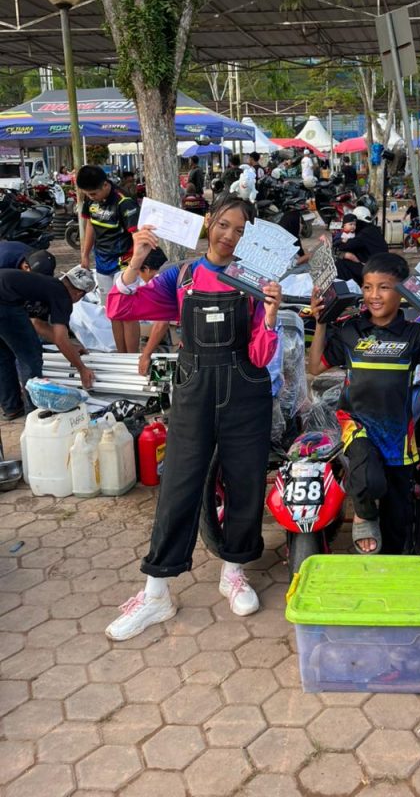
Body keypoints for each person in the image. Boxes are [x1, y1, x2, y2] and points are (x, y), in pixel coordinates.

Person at [104, 195, 283, 641]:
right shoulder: (181, 275)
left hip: (246, 391)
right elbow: (121, 308)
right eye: (223, 225)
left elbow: (261, 355)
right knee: (179, 484)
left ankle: (234, 571)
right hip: (193, 391)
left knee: (245, 482)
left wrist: (271, 315)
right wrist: (136, 259)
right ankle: (156, 592)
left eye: (240, 230)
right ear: (209, 223)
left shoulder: (255, 281)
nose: (228, 236)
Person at [308, 252, 420, 554]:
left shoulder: (415, 335)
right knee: (368, 480)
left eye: (383, 287)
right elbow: (316, 366)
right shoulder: (351, 329)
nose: (374, 295)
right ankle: (364, 513)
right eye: (367, 287)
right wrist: (321, 324)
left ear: (403, 291)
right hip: (356, 423)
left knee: (398, 524)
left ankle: (390, 565)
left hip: (398, 436)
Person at [0, 265, 95, 420]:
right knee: (30, 357)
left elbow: (38, 324)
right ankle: (34, 413)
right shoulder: (62, 296)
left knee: (4, 356)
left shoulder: (48, 286)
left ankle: (12, 407)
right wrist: (82, 369)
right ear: (79, 293)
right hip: (5, 303)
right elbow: (60, 338)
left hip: (4, 296)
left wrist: (70, 346)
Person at [76, 165, 141, 353]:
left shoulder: (124, 202)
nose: (91, 197)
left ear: (105, 185)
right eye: (87, 194)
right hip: (102, 263)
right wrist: (85, 255)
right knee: (113, 313)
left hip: (124, 264)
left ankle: (131, 357)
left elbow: (137, 237)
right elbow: (90, 225)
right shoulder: (90, 200)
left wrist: (135, 267)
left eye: (94, 193)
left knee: (127, 313)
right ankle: (121, 355)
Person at [135, 248, 172, 378]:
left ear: (147, 269)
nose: (139, 276)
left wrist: (146, 355)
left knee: (158, 347)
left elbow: (162, 324)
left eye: (139, 272)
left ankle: (161, 379)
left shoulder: (160, 282)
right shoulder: (172, 270)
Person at [335, 207, 388, 285]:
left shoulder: (364, 233)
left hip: (374, 270)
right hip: (380, 266)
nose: (353, 226)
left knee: (340, 264)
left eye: (354, 223)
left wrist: (340, 241)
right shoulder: (373, 229)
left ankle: (352, 289)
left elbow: (346, 246)